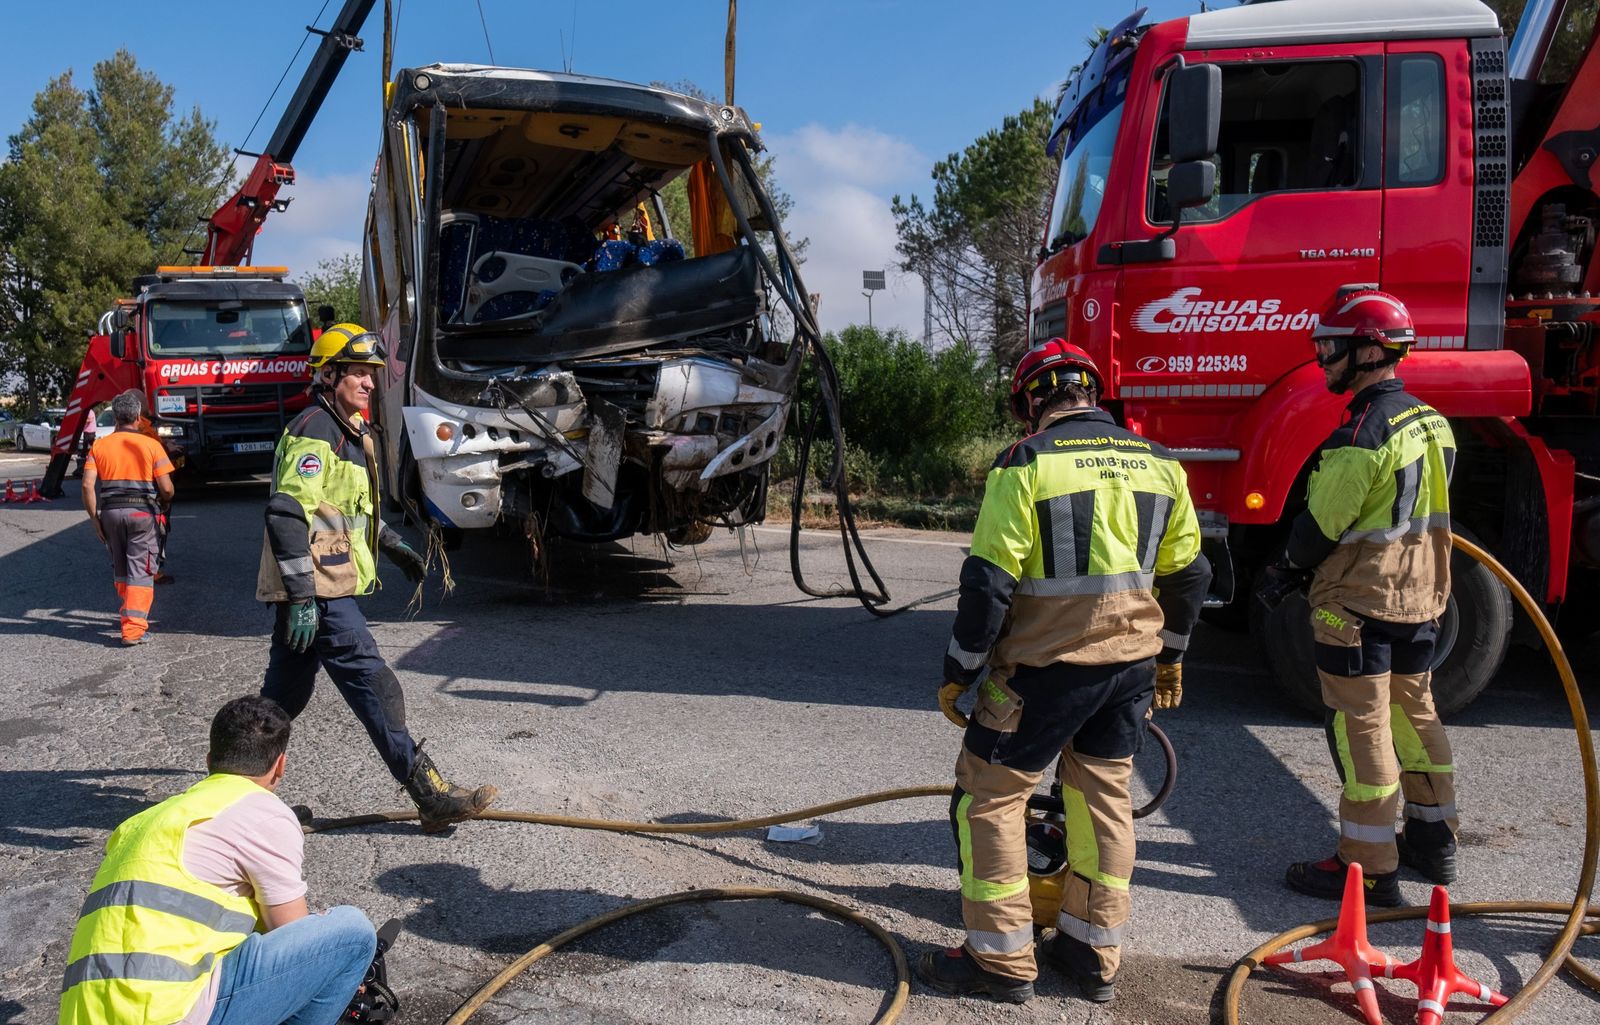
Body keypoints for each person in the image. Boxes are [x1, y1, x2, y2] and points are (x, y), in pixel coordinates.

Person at [917, 338, 1211, 1005]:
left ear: (1029, 401)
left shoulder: (1025, 462)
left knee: (986, 798)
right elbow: (1190, 574)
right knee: (1102, 802)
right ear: (1091, 392)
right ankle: (1089, 951)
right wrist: (1169, 655)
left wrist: (960, 672)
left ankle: (1000, 959)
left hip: (1041, 674)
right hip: (1129, 670)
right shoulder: (1161, 463)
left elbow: (988, 584)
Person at [257, 322, 497, 833]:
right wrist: (301, 596)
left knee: (281, 700)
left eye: (372, 375)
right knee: (373, 682)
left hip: (324, 585)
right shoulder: (315, 430)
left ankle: (234, 798)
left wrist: (390, 544)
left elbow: (340, 509)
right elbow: (286, 512)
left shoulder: (348, 431)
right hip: (319, 591)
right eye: (359, 374)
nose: (370, 383)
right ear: (328, 375)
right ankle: (429, 792)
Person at [1271, 289, 1459, 906]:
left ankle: (1368, 867)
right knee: (1415, 716)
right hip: (1422, 600)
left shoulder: (1361, 433)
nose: (1323, 359)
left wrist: (1287, 569)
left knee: (1363, 730)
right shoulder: (1432, 421)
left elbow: (1322, 526)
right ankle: (1434, 842)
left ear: (1370, 350)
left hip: (1357, 604)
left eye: (1332, 347)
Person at [58, 696, 377, 1025]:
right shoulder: (262, 812)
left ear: (210, 759)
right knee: (352, 935)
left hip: (85, 1016)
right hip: (168, 1015)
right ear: (280, 764)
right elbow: (294, 932)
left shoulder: (141, 823)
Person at [81, 391, 174, 646]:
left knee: (121, 568)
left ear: (114, 417)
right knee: (141, 570)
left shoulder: (99, 446)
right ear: (136, 416)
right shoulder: (151, 445)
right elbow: (166, 488)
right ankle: (133, 630)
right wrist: (164, 503)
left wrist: (94, 518)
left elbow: (88, 486)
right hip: (142, 513)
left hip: (110, 513)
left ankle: (127, 616)